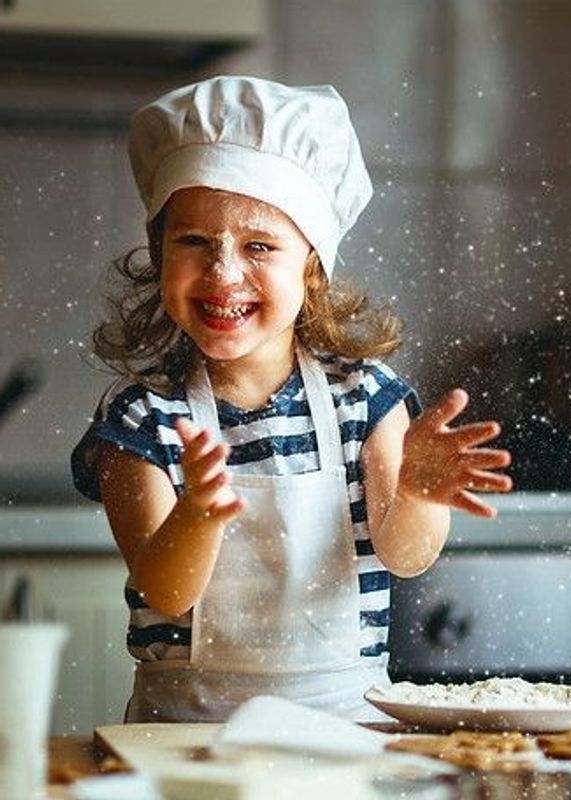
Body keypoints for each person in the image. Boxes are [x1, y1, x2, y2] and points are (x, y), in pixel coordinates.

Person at [70, 75, 512, 722]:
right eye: (192, 241)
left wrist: (416, 493)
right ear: (158, 252)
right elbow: (164, 588)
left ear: (312, 266)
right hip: (186, 735)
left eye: (259, 246)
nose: (223, 273)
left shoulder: (367, 398)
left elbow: (406, 557)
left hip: (346, 727)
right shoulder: (141, 419)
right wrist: (198, 514)